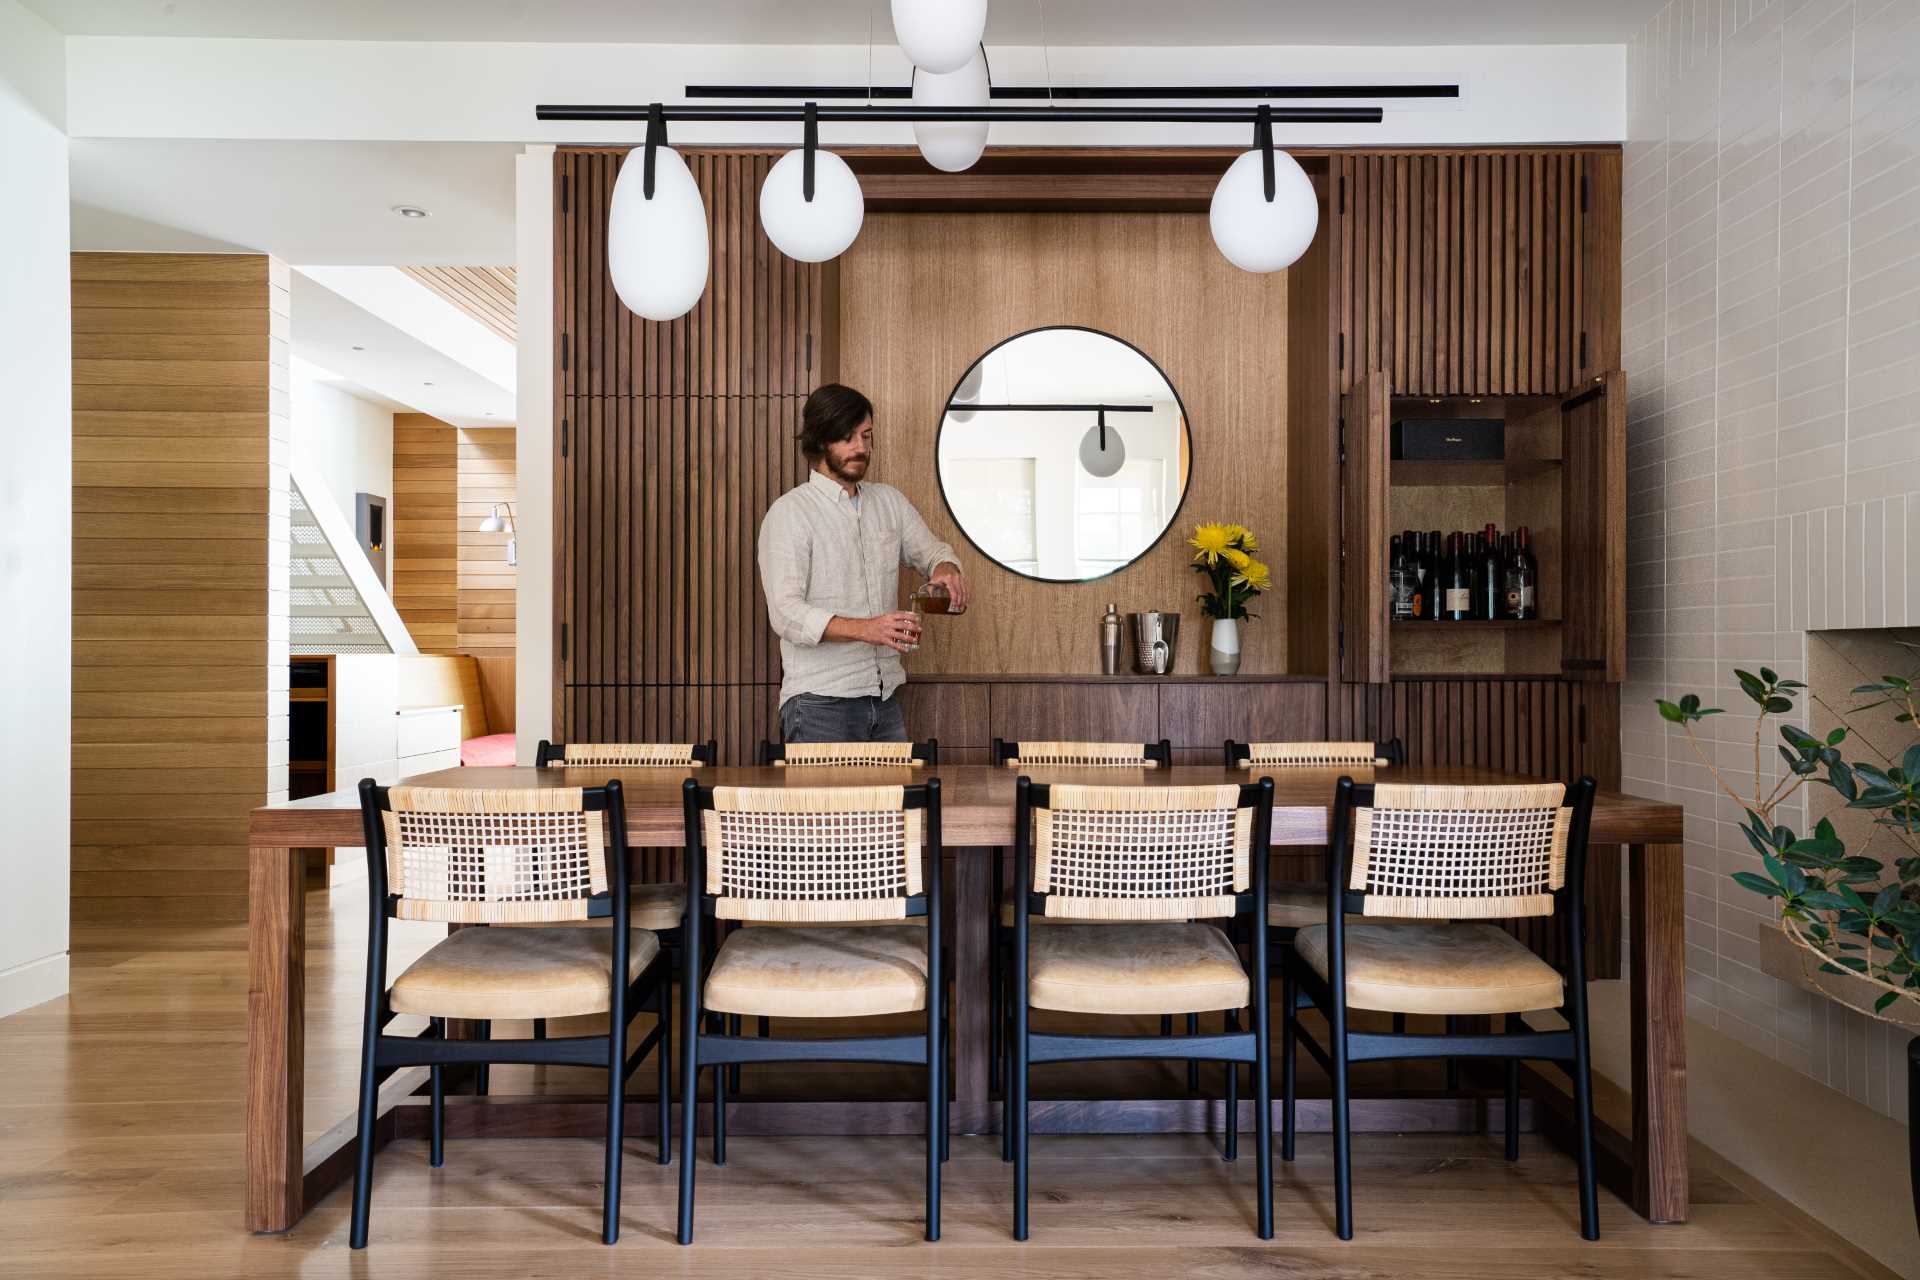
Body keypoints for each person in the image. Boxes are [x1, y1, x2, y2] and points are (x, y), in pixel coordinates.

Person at [757, 383, 968, 744]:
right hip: (818, 703)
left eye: (867, 436)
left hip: (885, 699)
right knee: (827, 806)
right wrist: (868, 629)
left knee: (891, 804)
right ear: (821, 440)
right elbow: (786, 614)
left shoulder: (889, 503)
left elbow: (934, 553)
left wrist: (946, 571)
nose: (861, 448)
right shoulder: (790, 513)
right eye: (848, 437)